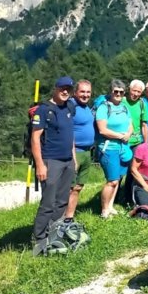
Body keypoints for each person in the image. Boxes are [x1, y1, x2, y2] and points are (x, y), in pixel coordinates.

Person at [30, 76, 77, 256]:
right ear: (55, 89)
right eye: (62, 88)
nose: (65, 92)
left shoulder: (69, 108)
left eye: (68, 89)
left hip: (67, 161)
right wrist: (40, 165)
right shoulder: (43, 110)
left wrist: (73, 158)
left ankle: (54, 234)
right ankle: (40, 240)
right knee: (48, 202)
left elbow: (69, 134)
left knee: (62, 201)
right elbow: (35, 138)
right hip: (51, 161)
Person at [95, 79, 133, 219]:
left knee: (118, 178)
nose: (118, 94)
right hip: (108, 148)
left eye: (121, 92)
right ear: (110, 92)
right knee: (112, 180)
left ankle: (110, 206)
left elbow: (130, 124)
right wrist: (119, 136)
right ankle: (104, 210)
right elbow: (102, 130)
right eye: (115, 92)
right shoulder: (104, 108)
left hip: (123, 148)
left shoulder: (124, 107)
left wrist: (128, 134)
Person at [64, 79, 94, 223]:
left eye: (88, 92)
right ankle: (60, 219)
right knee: (68, 188)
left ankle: (69, 217)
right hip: (75, 152)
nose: (85, 95)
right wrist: (73, 156)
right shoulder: (70, 106)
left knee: (78, 187)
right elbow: (67, 131)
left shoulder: (87, 108)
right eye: (82, 91)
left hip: (87, 152)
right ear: (75, 92)